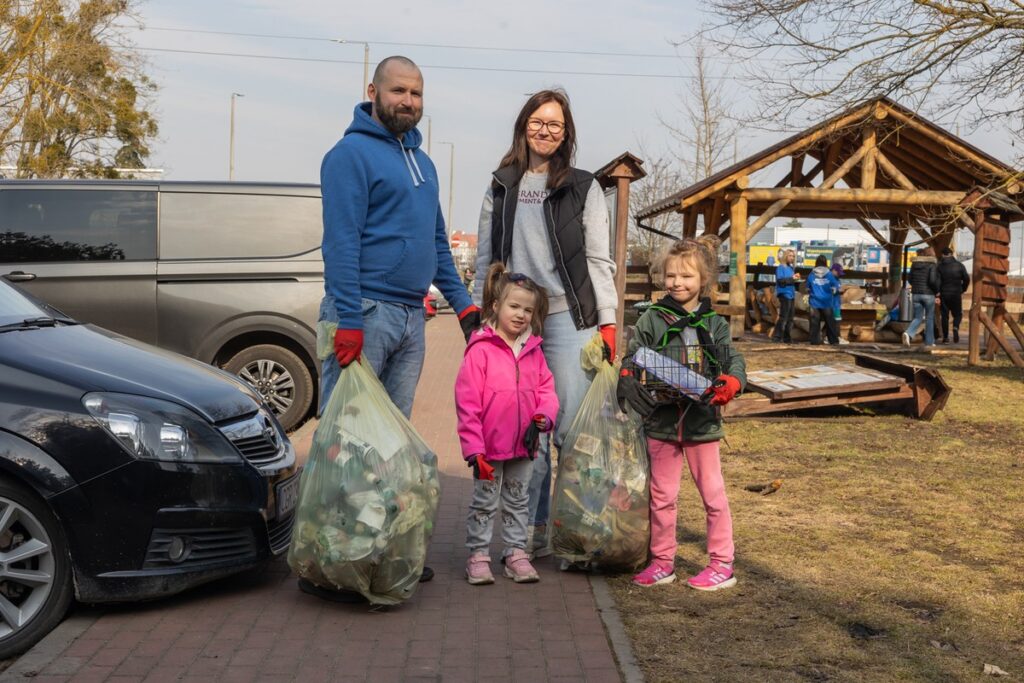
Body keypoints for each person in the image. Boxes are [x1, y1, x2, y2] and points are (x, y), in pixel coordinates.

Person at [317, 56, 479, 589]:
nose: (408, 101)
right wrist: (346, 318)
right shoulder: (348, 156)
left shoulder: (424, 164)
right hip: (363, 315)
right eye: (398, 91)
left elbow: (437, 243)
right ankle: (330, 561)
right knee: (346, 442)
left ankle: (381, 552)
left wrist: (464, 306)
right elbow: (340, 241)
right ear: (373, 91)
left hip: (413, 317)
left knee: (390, 447)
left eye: (416, 93)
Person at [472, 89, 617, 559]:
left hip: (571, 320)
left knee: (573, 431)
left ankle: (576, 529)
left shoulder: (583, 185)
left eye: (556, 124)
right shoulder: (502, 184)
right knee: (525, 433)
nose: (546, 130)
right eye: (538, 121)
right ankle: (529, 533)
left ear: (566, 132)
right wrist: (480, 319)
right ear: (524, 125)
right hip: (516, 325)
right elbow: (484, 260)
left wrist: (608, 320)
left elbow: (598, 258)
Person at [616, 236, 746, 590]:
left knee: (713, 495)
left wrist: (732, 381)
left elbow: (732, 359)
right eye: (671, 275)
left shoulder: (715, 324)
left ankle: (722, 563)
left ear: (703, 280)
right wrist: (627, 373)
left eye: (687, 276)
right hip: (661, 421)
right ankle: (662, 561)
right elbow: (635, 353)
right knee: (662, 496)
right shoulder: (651, 320)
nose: (678, 283)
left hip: (702, 423)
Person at [455, 264, 559, 585]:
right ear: (496, 306)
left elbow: (547, 390)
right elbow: (467, 404)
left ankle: (515, 552)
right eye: (514, 307)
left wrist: (545, 415)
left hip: (523, 445)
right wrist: (474, 451)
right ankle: (478, 554)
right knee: (484, 502)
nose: (521, 315)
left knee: (518, 500)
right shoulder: (480, 351)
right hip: (487, 449)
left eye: (528, 310)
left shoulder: (533, 351)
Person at [902, 247, 941, 347]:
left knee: (918, 318)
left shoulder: (915, 264)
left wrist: (916, 286)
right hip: (928, 294)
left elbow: (910, 279)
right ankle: (929, 342)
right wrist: (936, 291)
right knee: (929, 318)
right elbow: (932, 281)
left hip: (916, 294)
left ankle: (908, 332)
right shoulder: (932, 265)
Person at [937, 247, 970, 344]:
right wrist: (963, 289)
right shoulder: (960, 265)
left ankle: (946, 338)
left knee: (944, 316)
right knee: (958, 314)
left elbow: (936, 281)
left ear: (943, 255)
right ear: (951, 254)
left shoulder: (939, 266)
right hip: (956, 293)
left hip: (944, 294)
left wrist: (938, 292)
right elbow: (967, 279)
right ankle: (955, 326)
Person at [807, 255, 840, 345]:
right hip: (827, 302)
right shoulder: (829, 274)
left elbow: (808, 288)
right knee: (830, 323)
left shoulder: (812, 274)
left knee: (815, 323)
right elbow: (835, 287)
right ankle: (833, 341)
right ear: (826, 263)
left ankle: (815, 341)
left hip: (814, 302)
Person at [771, 249, 798, 343]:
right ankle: (777, 337)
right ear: (786, 256)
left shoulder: (791, 268)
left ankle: (787, 337)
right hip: (784, 293)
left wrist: (796, 279)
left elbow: (791, 280)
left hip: (791, 294)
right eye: (790, 255)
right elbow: (780, 281)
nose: (792, 258)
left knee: (790, 318)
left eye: (793, 256)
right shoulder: (780, 268)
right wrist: (792, 278)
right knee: (784, 316)